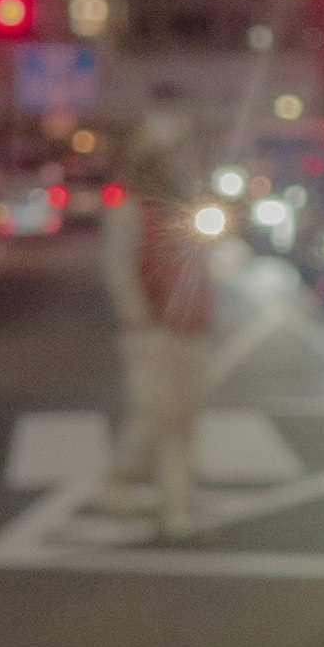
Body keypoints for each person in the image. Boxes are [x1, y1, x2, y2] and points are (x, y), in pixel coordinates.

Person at [85, 136, 218, 536]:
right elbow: (118, 264)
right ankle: (121, 481)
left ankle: (177, 499)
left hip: (192, 327)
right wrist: (136, 316)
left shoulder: (190, 210)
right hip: (151, 331)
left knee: (186, 415)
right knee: (151, 412)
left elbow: (203, 264)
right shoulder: (129, 209)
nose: (174, 169)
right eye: (165, 162)